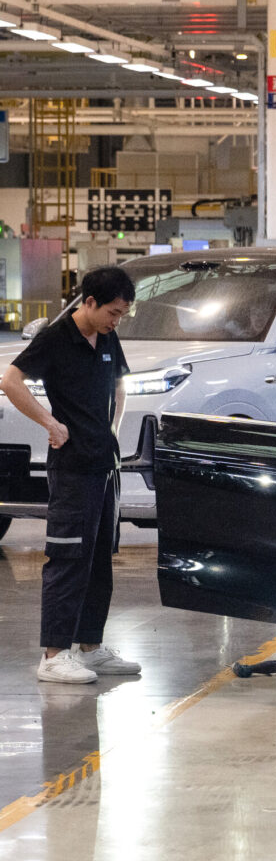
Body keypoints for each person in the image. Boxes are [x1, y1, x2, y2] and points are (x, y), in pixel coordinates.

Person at [0, 266, 142, 684]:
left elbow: (120, 384)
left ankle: (90, 648)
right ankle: (54, 654)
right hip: (72, 468)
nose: (117, 321)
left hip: (105, 466)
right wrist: (50, 423)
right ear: (89, 302)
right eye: (113, 312)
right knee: (68, 558)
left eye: (123, 314)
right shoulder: (56, 338)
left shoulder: (108, 336)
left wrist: (112, 430)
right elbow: (10, 380)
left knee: (99, 561)